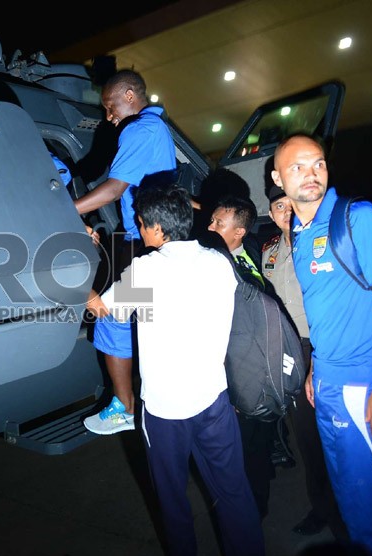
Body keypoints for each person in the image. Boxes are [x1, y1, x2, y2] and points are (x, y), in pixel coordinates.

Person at [85, 183, 264, 556]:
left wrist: (82, 279)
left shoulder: (148, 268)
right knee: (233, 492)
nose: (138, 225)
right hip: (214, 400)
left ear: (155, 228)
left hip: (166, 411)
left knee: (172, 502)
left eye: (140, 221)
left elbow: (104, 310)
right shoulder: (219, 262)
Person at [271, 133, 372, 555]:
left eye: (317, 163)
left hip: (364, 386)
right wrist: (316, 368)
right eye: (297, 167)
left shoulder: (358, 218)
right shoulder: (300, 231)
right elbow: (323, 311)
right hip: (329, 386)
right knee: (352, 502)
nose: (311, 174)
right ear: (278, 178)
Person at [76, 69, 176, 435]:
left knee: (110, 316)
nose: (108, 115)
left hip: (147, 246)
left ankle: (124, 407)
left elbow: (115, 189)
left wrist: (67, 210)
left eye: (110, 105)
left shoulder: (138, 130)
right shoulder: (157, 129)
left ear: (130, 95)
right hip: (156, 242)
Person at [261, 187, 347, 539]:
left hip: (323, 347)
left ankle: (348, 511)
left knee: (338, 437)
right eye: (278, 205)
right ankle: (323, 509)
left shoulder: (322, 243)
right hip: (287, 350)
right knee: (308, 439)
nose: (285, 211)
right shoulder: (268, 251)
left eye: (289, 203)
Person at [207, 194, 277, 519]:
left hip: (254, 373)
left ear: (238, 232)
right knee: (249, 445)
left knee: (250, 446)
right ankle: (254, 500)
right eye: (211, 220)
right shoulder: (227, 260)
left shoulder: (242, 262)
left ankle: (254, 506)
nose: (209, 227)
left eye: (218, 223)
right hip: (246, 373)